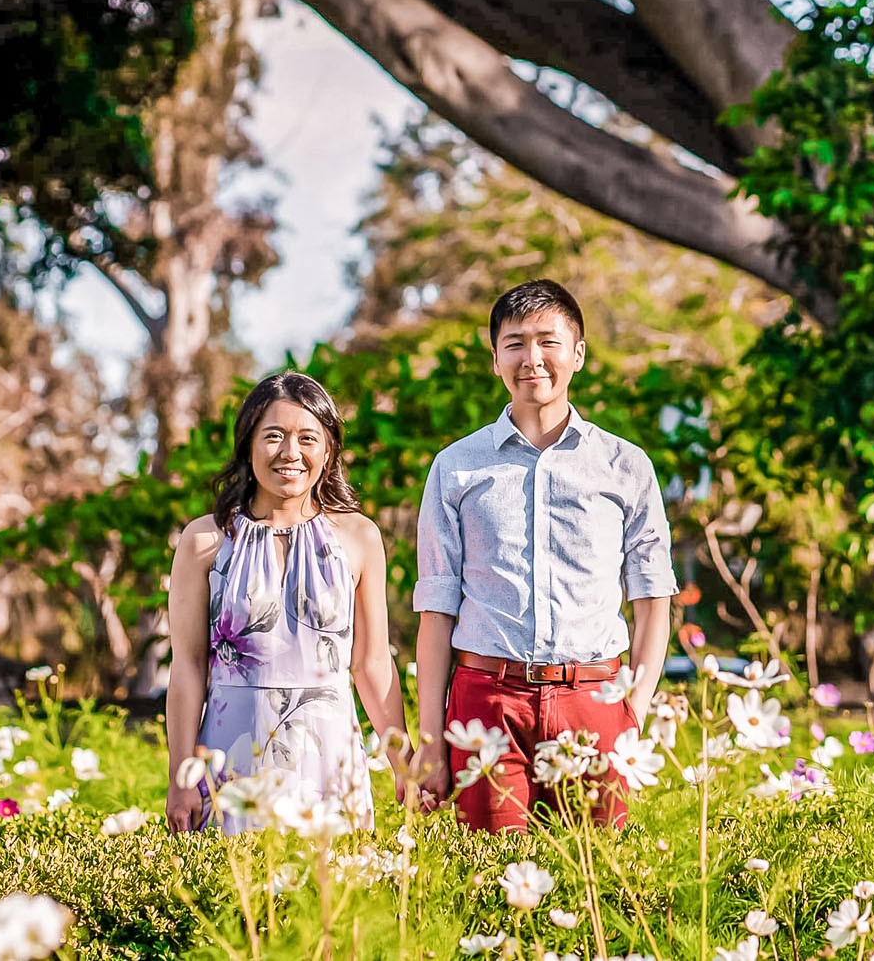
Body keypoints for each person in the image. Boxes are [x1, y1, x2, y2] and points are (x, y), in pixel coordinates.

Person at [413, 279, 675, 831]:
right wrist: (431, 741)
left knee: (597, 872)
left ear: (577, 353)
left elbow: (653, 598)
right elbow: (436, 611)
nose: (531, 359)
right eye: (514, 344)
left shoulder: (625, 466)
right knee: (491, 872)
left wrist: (634, 708)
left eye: (547, 342)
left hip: (596, 699)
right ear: (495, 360)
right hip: (487, 703)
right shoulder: (455, 467)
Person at [164, 371, 408, 833]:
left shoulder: (359, 537)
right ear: (247, 446)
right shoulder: (204, 541)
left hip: (329, 762)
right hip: (229, 761)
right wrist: (181, 777)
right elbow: (188, 668)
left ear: (329, 450)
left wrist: (404, 761)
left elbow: (372, 663)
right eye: (273, 436)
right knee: (229, 881)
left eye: (308, 438)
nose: (290, 452)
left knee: (333, 880)